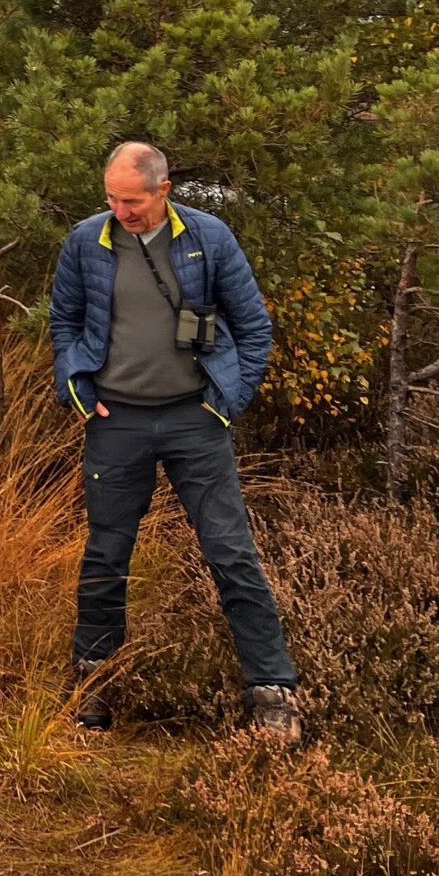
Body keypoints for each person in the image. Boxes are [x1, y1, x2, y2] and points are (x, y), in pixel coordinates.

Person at [52, 142, 300, 742]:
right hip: (116, 421)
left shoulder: (209, 238)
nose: (120, 211)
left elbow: (254, 327)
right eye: (111, 199)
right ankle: (94, 683)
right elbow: (64, 323)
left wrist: (225, 402)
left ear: (163, 191)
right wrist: (78, 390)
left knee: (231, 553)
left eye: (131, 201)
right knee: (107, 554)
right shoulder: (86, 240)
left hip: (196, 420)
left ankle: (273, 691)